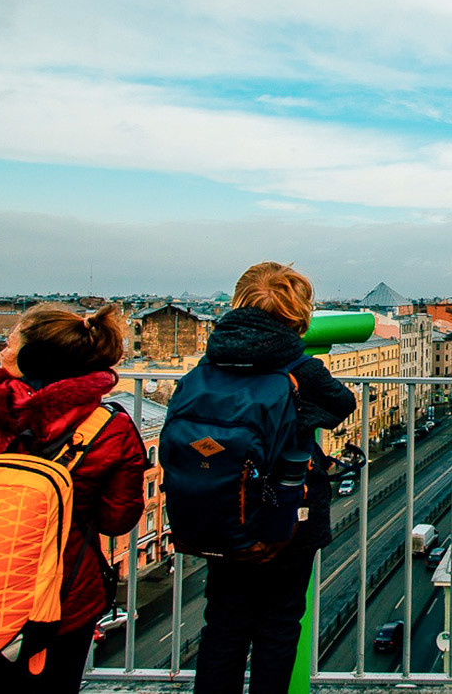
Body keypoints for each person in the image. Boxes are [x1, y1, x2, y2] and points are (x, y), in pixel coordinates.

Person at [0, 303, 148, 694]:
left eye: (10, 343)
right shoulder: (109, 426)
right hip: (64, 596)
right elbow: (117, 519)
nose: (3, 350)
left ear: (31, 357)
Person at [192, 262, 356, 694]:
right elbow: (341, 404)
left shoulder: (212, 360)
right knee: (279, 625)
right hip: (286, 513)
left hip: (222, 507)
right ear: (298, 312)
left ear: (239, 302)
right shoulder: (297, 366)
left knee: (223, 624)